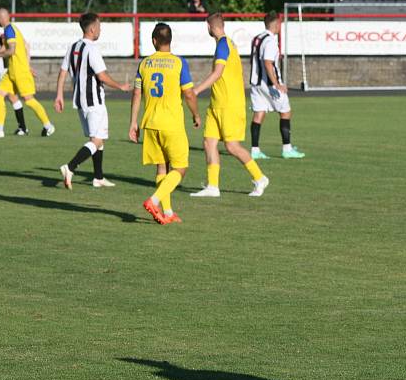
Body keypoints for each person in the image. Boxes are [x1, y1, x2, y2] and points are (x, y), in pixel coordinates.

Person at [190, 12, 268, 197]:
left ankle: (260, 178)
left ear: (209, 27)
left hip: (229, 104)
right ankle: (213, 187)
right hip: (217, 104)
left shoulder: (224, 44)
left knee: (232, 146)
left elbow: (218, 73)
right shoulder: (223, 44)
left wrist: (197, 90)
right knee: (209, 143)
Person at [129, 23, 201, 225]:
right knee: (180, 169)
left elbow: (136, 93)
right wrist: (195, 114)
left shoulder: (144, 64)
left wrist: (133, 123)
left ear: (154, 41)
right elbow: (188, 93)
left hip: (150, 124)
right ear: (170, 40)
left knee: (162, 168)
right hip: (171, 124)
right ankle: (154, 201)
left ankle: (167, 212)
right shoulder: (179, 63)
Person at [55, 13, 132, 189]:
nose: (100, 30)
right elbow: (102, 76)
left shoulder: (73, 46)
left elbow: (62, 72)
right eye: (99, 26)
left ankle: (98, 177)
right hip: (94, 101)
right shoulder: (92, 49)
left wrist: (59, 95)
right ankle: (70, 167)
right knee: (96, 141)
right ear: (92, 28)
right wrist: (120, 86)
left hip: (80, 102)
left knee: (98, 138)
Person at [249, 11, 305, 159]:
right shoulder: (271, 41)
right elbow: (268, 62)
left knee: (259, 113)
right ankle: (287, 149)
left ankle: (255, 151)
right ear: (277, 24)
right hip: (269, 85)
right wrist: (277, 84)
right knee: (285, 112)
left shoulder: (257, 38)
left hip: (256, 83)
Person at [0, 7, 53, 136]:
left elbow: (12, 51)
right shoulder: (12, 29)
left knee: (29, 100)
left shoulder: (9, 30)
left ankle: (48, 126)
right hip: (11, 72)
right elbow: (10, 47)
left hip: (20, 71)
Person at [0, 4, 28, 137]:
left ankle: (4, 128)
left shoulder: (2, 30)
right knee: (8, 97)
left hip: (0, 68)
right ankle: (22, 127)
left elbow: (9, 46)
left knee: (8, 97)